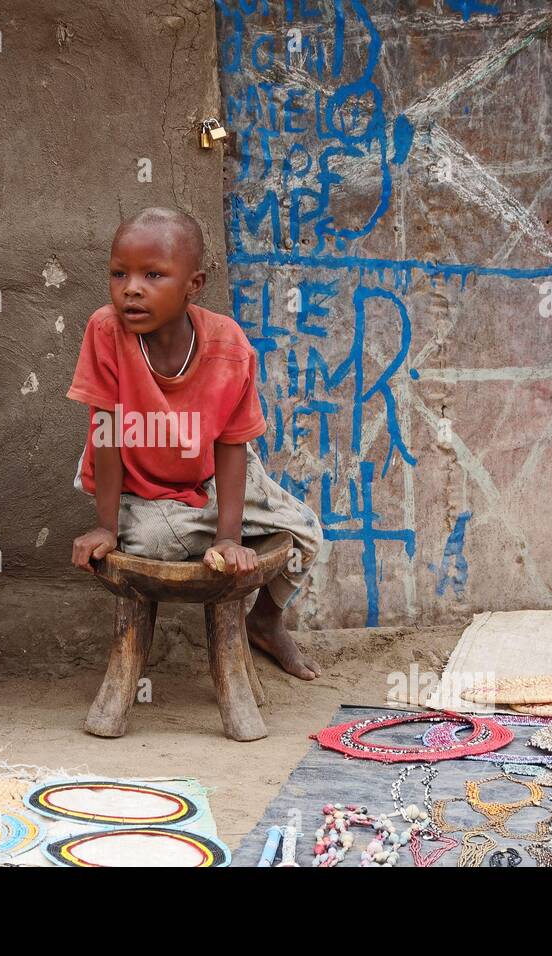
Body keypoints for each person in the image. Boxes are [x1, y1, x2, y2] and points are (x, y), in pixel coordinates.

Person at [67, 208, 323, 679]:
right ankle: (189, 529)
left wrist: (227, 537)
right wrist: (105, 526)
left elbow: (231, 446)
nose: (131, 288)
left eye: (153, 275)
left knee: (306, 532)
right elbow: (103, 433)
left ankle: (265, 621)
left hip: (207, 472)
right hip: (135, 479)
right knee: (150, 542)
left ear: (194, 284)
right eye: (119, 274)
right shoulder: (106, 331)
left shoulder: (228, 345)